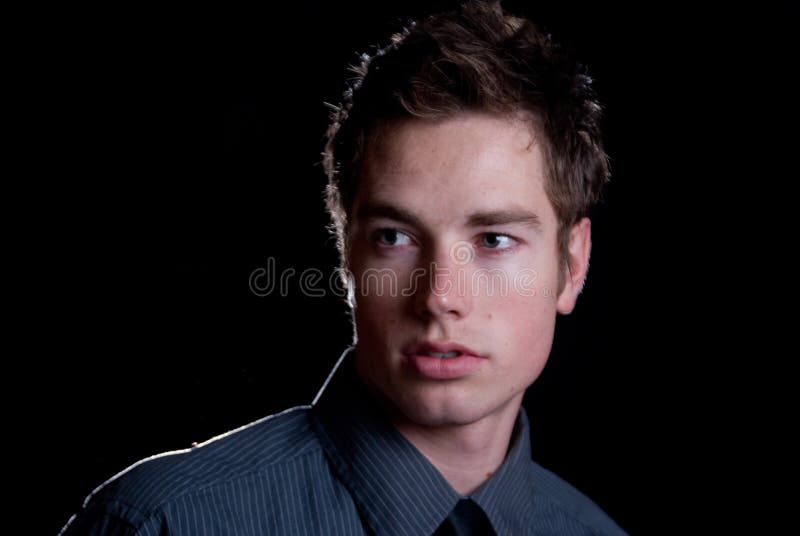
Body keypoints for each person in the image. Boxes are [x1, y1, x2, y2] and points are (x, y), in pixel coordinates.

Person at [61, 1, 626, 534]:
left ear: (572, 264)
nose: (440, 298)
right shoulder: (166, 524)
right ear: (346, 253)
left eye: (494, 239)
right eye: (394, 237)